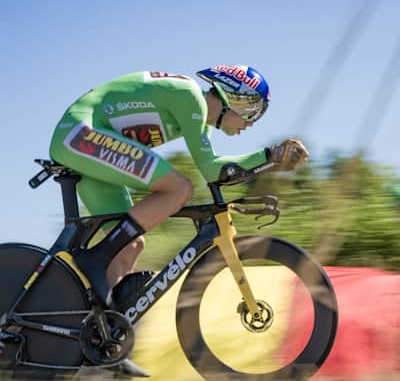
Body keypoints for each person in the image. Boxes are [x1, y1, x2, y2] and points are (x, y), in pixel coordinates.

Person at [49, 65, 309, 309]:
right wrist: (270, 155)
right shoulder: (190, 97)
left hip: (84, 139)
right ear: (235, 99)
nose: (251, 123)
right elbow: (210, 170)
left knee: (130, 246)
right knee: (179, 188)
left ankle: (97, 328)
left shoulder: (197, 122)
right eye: (253, 113)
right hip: (80, 134)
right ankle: (96, 259)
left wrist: (272, 162)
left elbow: (217, 169)